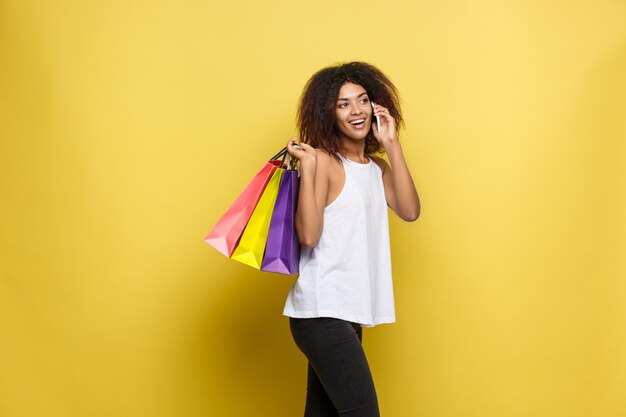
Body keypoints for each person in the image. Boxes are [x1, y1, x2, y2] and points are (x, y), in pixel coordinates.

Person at [283, 61, 420, 417]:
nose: (356, 111)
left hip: (346, 312)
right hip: (321, 310)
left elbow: (409, 210)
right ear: (328, 113)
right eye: (344, 104)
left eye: (362, 100)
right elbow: (309, 237)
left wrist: (392, 144)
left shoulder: (377, 168)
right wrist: (309, 171)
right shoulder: (325, 161)